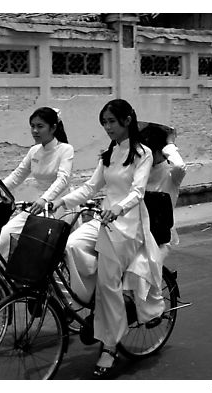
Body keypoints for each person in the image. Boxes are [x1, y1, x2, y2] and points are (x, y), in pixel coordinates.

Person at [52, 99, 161, 377]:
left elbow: (138, 192)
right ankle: (95, 300)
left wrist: (119, 207)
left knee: (109, 282)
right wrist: (60, 202)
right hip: (104, 220)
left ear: (127, 120)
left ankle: (110, 346)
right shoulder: (109, 154)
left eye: (112, 121)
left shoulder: (142, 153)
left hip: (128, 224)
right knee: (72, 245)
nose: (108, 127)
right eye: (104, 122)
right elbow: (90, 187)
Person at [0, 107, 74, 259]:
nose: (35, 131)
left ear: (53, 127)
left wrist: (45, 199)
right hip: (38, 207)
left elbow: (62, 179)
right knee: (3, 237)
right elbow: (17, 176)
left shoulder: (65, 150)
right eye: (32, 126)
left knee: (40, 249)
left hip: (60, 206)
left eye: (40, 126)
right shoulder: (34, 151)